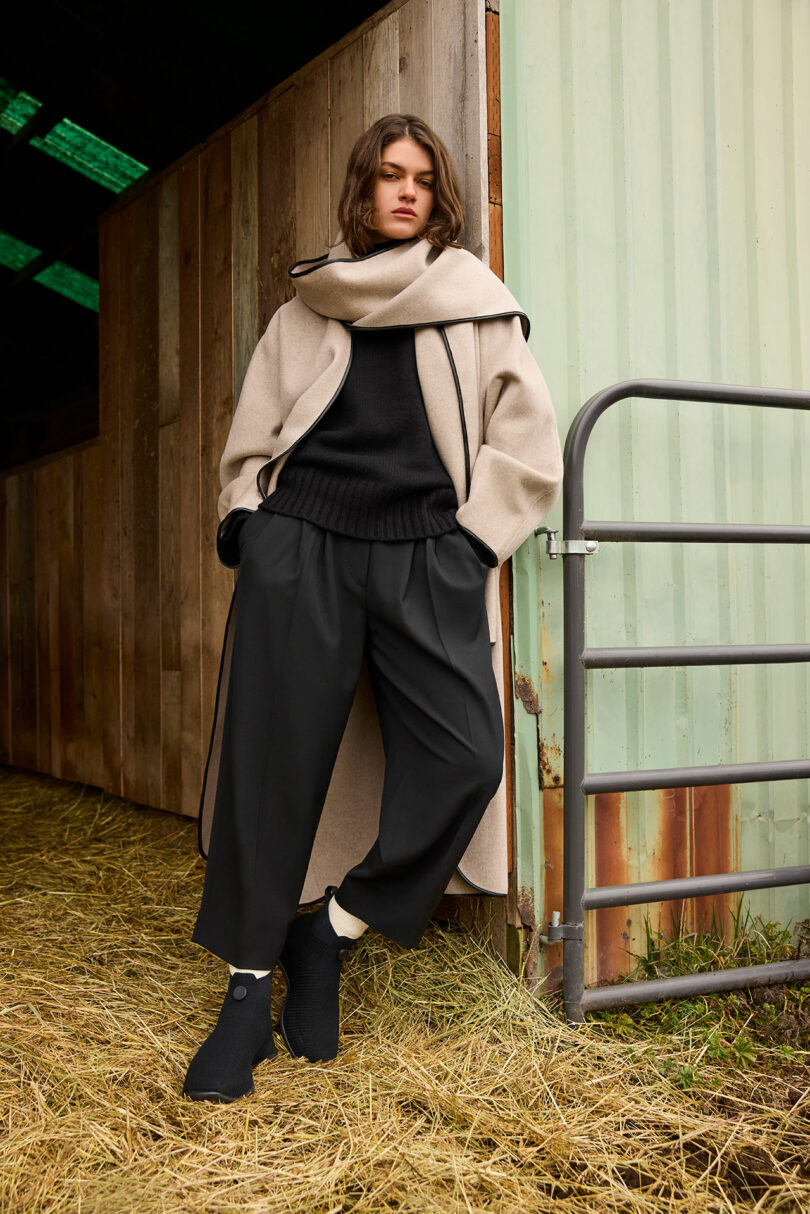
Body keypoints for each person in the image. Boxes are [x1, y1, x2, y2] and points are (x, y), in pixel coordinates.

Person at [183, 113, 563, 1102]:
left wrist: (473, 541)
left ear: (441, 197)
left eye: (423, 180)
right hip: (300, 547)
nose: (406, 191)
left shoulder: (478, 306)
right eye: (389, 175)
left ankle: (332, 930)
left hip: (424, 555)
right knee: (274, 770)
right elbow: (254, 433)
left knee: (469, 755)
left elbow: (527, 442)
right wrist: (249, 527)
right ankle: (245, 996)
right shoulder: (308, 307)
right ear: (364, 188)